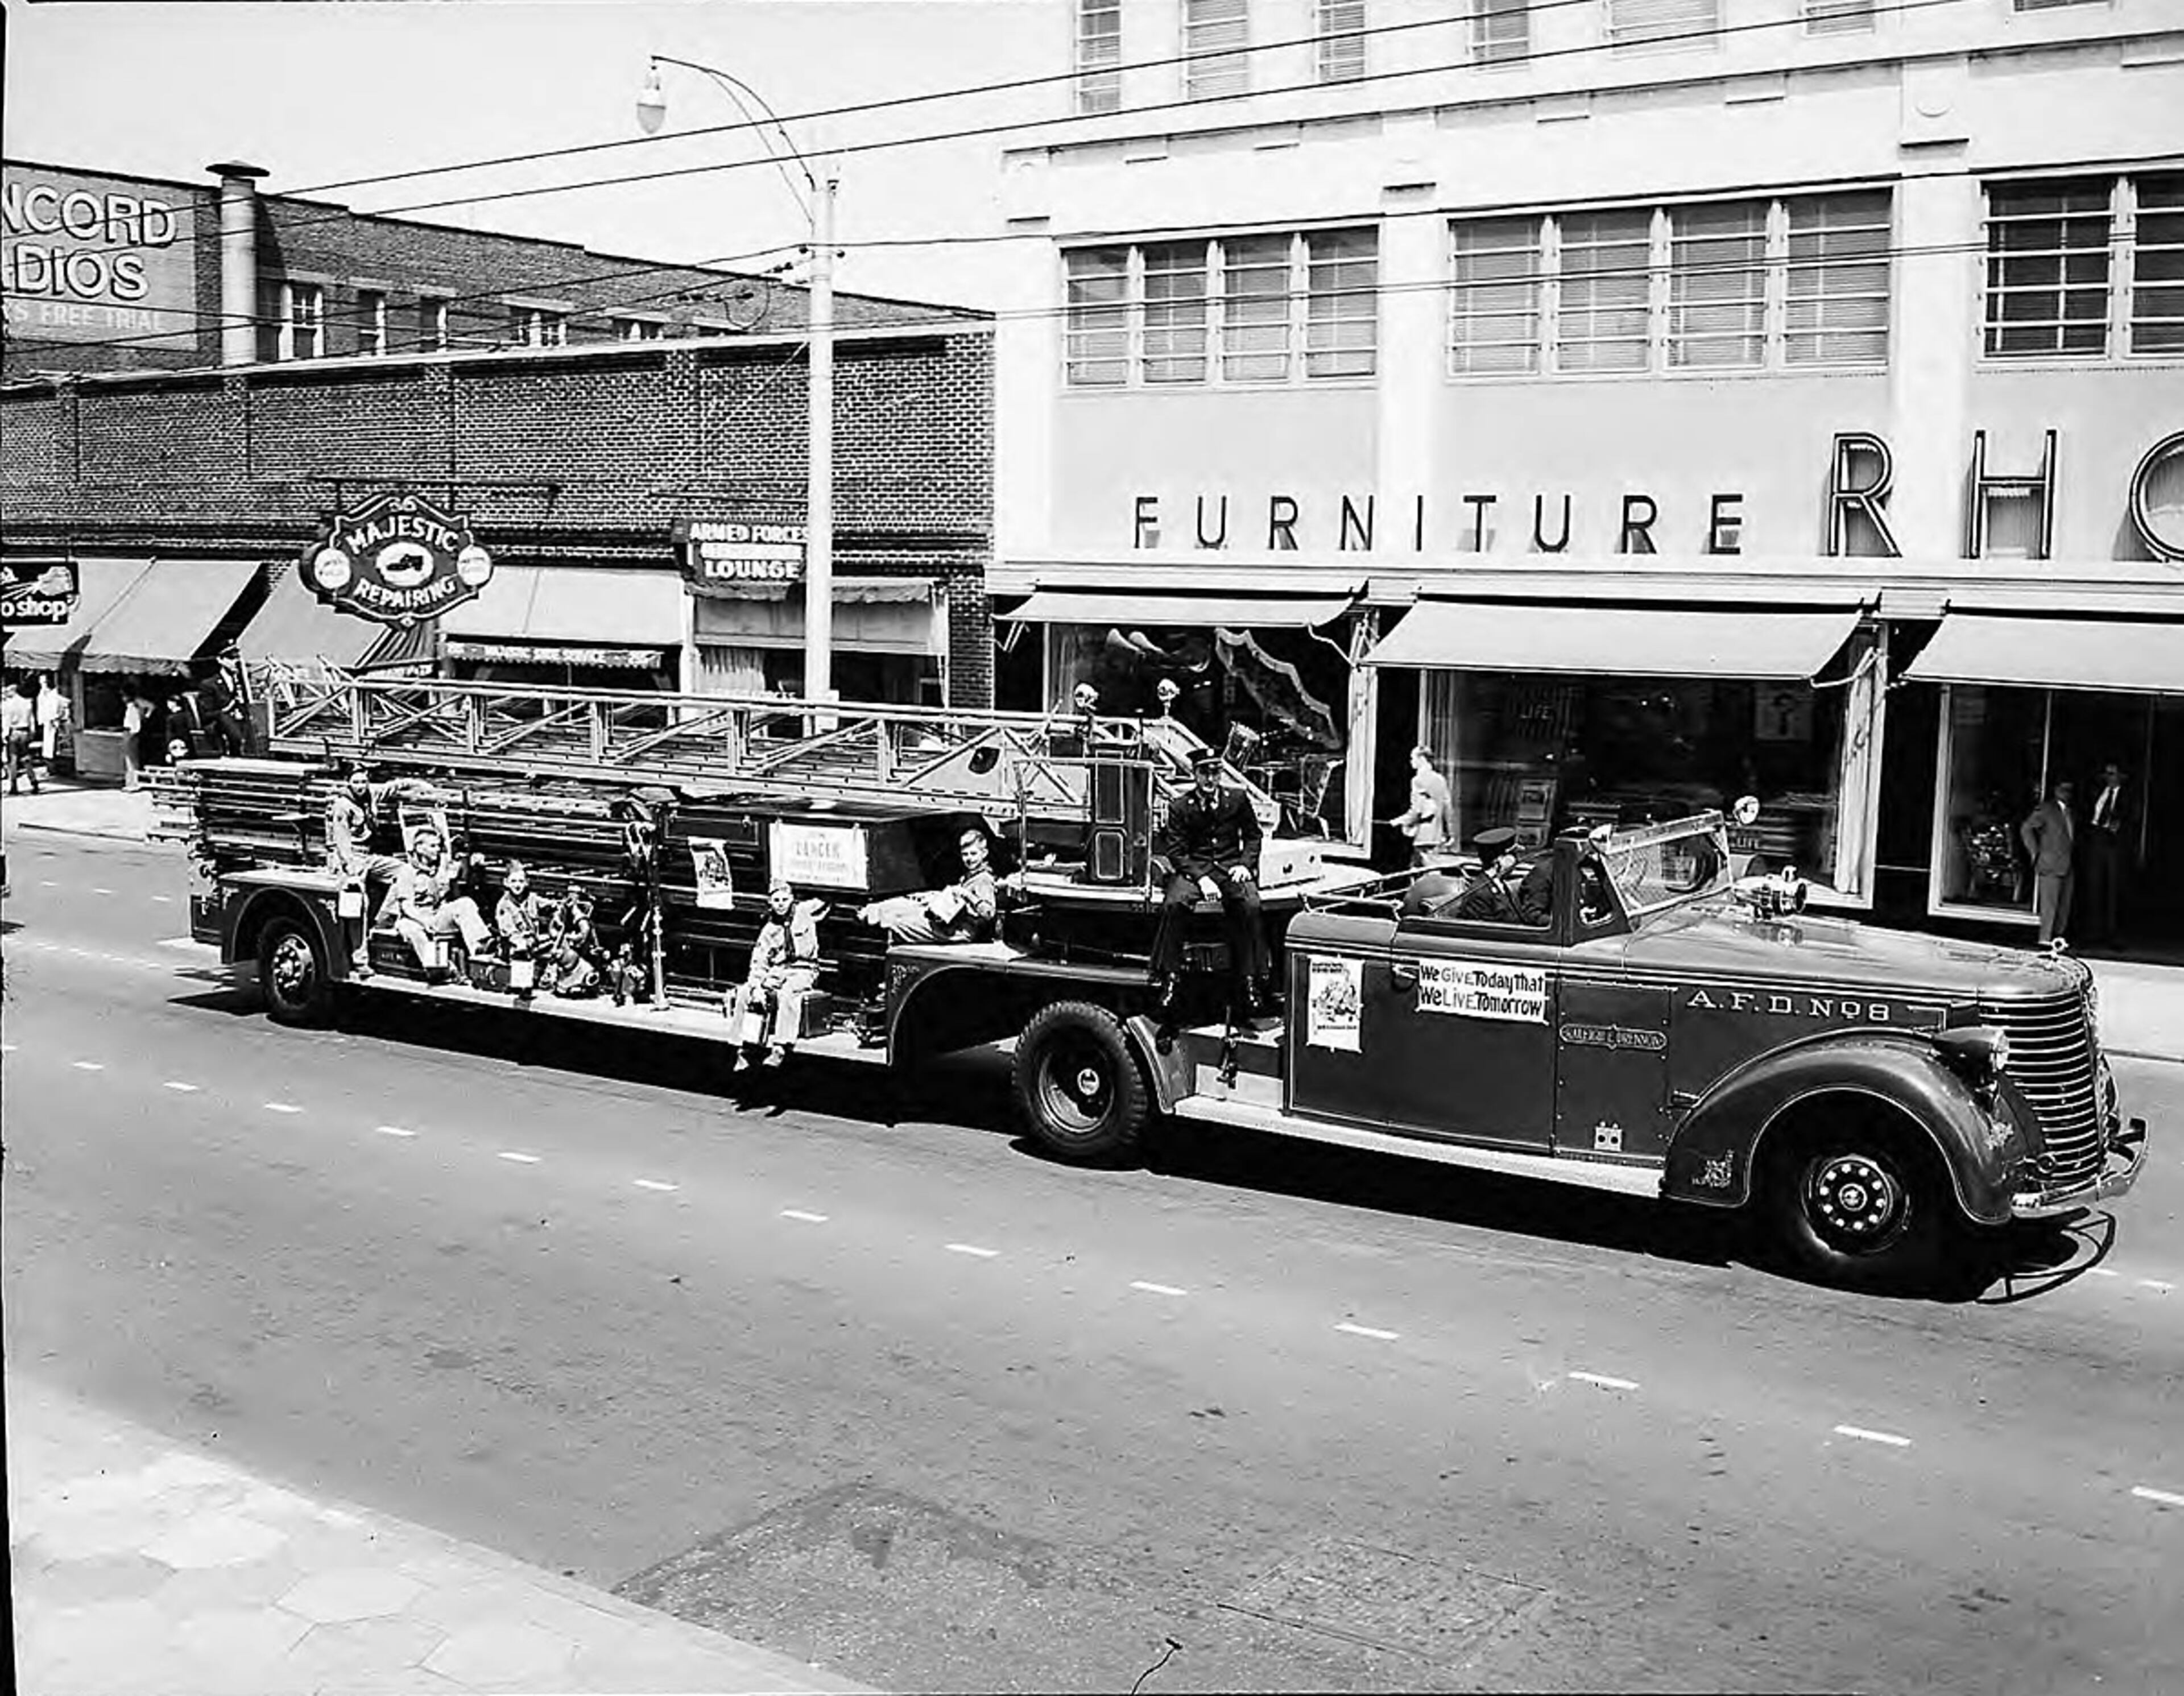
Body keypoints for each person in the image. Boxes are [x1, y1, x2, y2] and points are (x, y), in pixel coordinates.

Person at [1149, 746, 1272, 1015]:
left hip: (1231, 868)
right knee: (1174, 904)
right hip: (1196, 868)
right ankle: (1169, 977)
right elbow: (1176, 852)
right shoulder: (1180, 806)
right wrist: (1201, 878)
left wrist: (1245, 865)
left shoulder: (1238, 800)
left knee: (1250, 905)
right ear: (1195, 774)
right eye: (1204, 772)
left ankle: (1251, 979)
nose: (1210, 779)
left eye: (1215, 772)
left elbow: (1253, 836)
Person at [323, 766, 426, 977]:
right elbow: (341, 839)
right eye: (356, 782)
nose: (360, 786)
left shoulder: (371, 794)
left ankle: (384, 917)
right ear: (348, 783)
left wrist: (417, 783)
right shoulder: (343, 805)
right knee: (359, 906)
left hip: (370, 855)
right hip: (351, 858)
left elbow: (392, 787)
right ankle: (359, 960)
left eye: (363, 782)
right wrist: (350, 868)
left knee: (405, 871)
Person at [727, 879, 829, 1070]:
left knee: (788, 995)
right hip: (778, 970)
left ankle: (781, 1046)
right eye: (776, 900)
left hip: (803, 969)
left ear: (792, 899)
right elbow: (759, 961)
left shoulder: (805, 912)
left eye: (784, 899)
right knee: (745, 993)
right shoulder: (769, 930)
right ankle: (743, 1048)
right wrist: (756, 986)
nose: (781, 904)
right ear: (770, 903)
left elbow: (827, 898)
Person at [858, 824, 999, 944]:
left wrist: (967, 895)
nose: (969, 859)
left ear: (984, 853)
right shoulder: (970, 876)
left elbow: (989, 913)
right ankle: (871, 912)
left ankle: (872, 921)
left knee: (902, 923)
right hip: (950, 923)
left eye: (973, 854)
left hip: (959, 931)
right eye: (965, 854)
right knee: (905, 905)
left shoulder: (984, 880)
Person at [388, 825, 492, 982]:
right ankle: (441, 970)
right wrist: (424, 921)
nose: (438, 849)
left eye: (438, 846)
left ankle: (480, 950)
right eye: (433, 846)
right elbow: (406, 906)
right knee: (413, 931)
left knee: (466, 903)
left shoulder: (441, 868)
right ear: (420, 848)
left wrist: (472, 861)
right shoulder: (407, 872)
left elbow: (459, 877)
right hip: (414, 918)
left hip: (437, 915)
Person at [2081, 762, 2132, 946]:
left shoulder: (2129, 796)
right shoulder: (2096, 792)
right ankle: (2092, 932)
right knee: (2094, 887)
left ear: (2121, 776)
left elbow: (2133, 818)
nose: (2109, 778)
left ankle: (2112, 934)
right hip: (2096, 840)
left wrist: (2120, 826)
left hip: (2115, 844)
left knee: (2113, 889)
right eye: (2107, 774)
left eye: (2112, 774)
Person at [2020, 780, 2077, 945]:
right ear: (2056, 790)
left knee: (2064, 906)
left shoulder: (2071, 812)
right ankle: (2044, 939)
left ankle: (2057, 938)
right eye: (2063, 789)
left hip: (2068, 864)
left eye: (2069, 790)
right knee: (2049, 905)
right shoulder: (2046, 809)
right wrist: (2035, 853)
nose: (2066, 793)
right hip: (2050, 862)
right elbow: (2026, 828)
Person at [1390, 744, 1455, 868]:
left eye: (1412, 758)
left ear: (1422, 759)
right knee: (1420, 869)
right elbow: (1447, 807)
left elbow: (1417, 810)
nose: (1411, 762)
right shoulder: (1440, 779)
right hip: (1436, 835)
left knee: (1426, 873)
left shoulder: (1418, 781)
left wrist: (1399, 821)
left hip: (1423, 835)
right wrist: (1450, 833)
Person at [495, 861, 548, 998]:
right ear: (506, 882)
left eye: (521, 881)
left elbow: (549, 904)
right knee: (521, 950)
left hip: (533, 943)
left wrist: (562, 905)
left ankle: (547, 979)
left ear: (527, 882)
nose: (517, 885)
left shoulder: (531, 898)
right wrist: (523, 942)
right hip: (511, 947)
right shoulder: (504, 905)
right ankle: (522, 987)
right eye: (513, 881)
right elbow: (509, 932)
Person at [1450, 827, 1525, 923]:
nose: (1517, 860)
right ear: (1499, 860)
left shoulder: (1500, 886)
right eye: (1513, 855)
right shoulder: (1480, 895)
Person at [3, 679, 40, 795]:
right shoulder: (27, 703)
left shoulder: (9, 705)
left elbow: (7, 721)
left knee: (13, 761)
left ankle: (14, 786)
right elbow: (32, 720)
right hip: (25, 731)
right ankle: (34, 783)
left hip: (14, 732)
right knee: (26, 758)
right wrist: (32, 733)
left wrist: (4, 735)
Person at [35, 673, 68, 772]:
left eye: (45, 682)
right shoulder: (42, 694)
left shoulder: (55, 694)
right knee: (48, 745)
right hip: (47, 722)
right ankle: (50, 767)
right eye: (41, 683)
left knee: (53, 745)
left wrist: (57, 718)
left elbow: (63, 705)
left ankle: (54, 767)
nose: (43, 685)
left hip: (54, 722)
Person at [121, 689, 151, 791]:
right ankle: (130, 782)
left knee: (132, 759)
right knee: (128, 759)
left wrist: (132, 734)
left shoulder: (133, 709)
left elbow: (136, 725)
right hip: (128, 733)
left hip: (131, 734)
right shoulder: (131, 709)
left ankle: (135, 783)